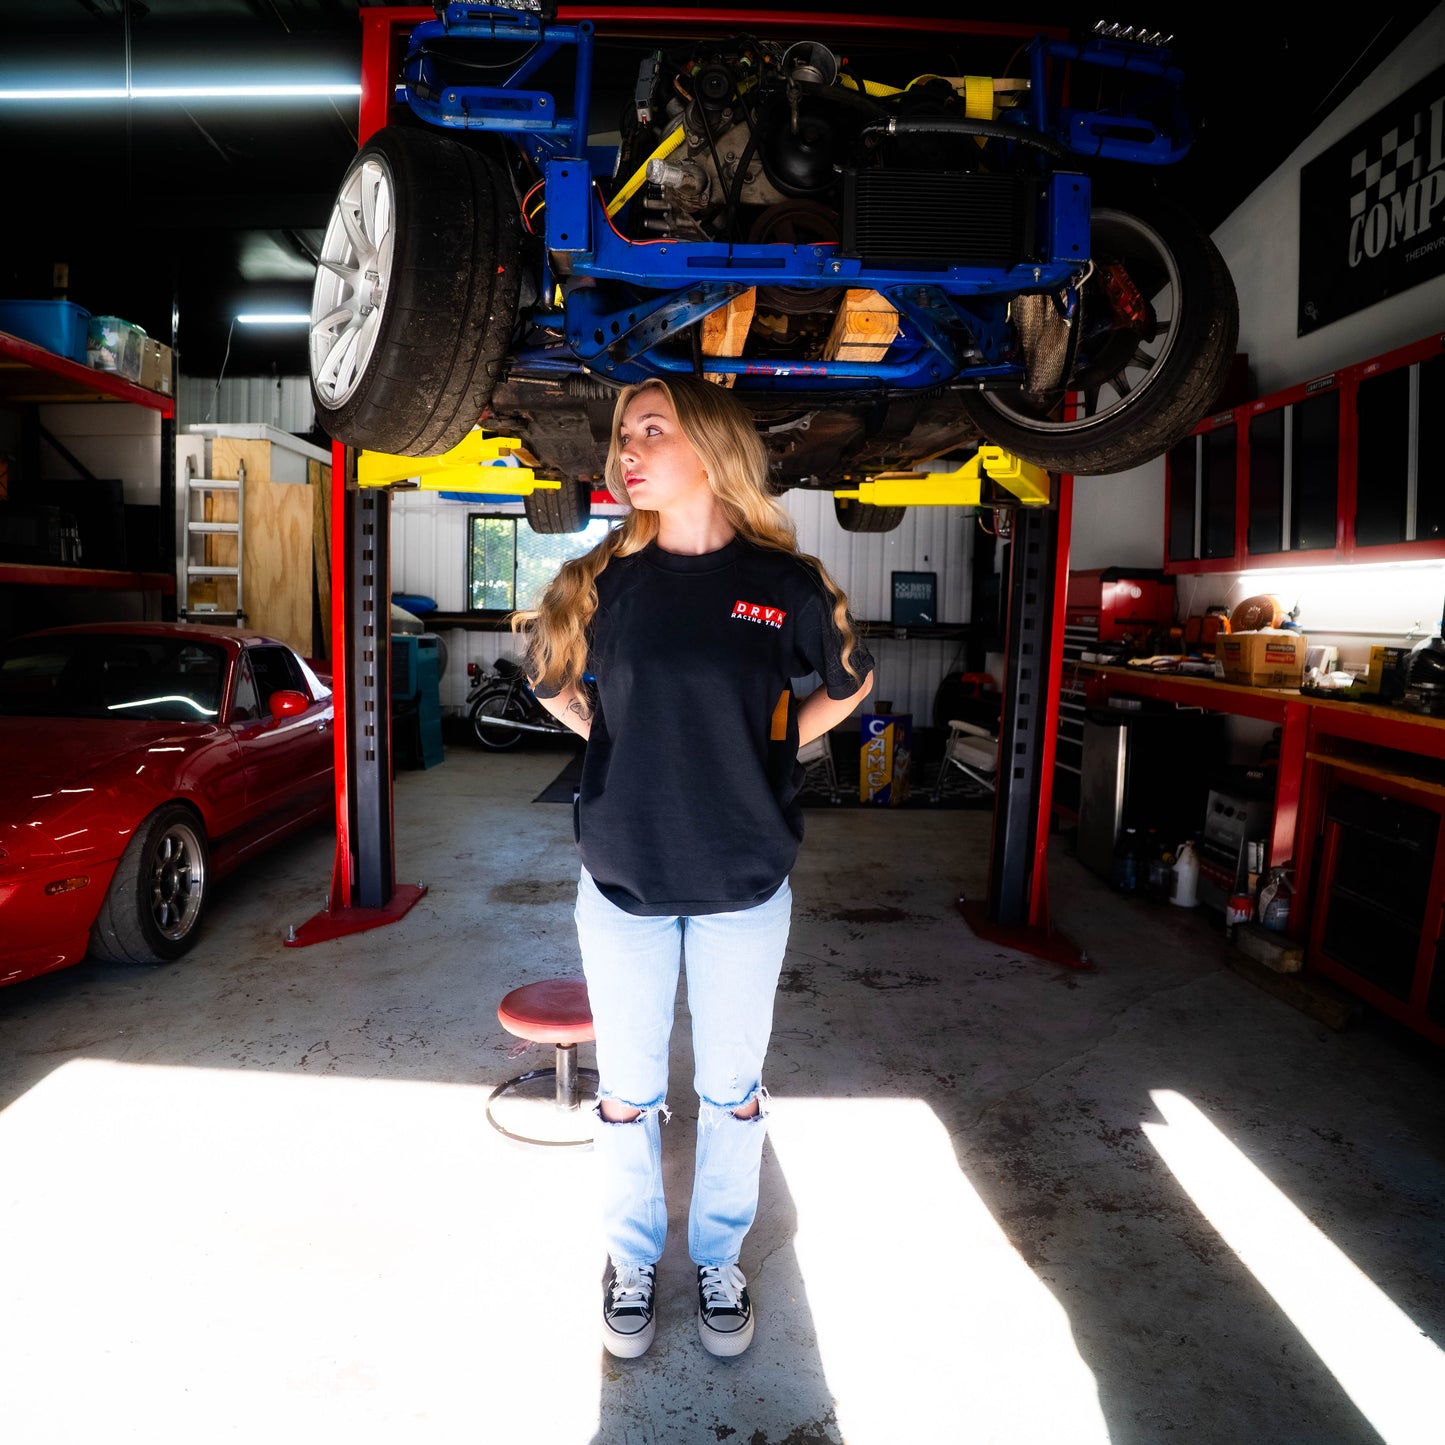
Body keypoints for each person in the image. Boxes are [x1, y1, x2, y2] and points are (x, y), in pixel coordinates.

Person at [514, 373, 874, 1360]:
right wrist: (602, 732)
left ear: (710, 448)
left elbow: (850, 682)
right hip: (625, 874)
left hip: (742, 879)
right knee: (626, 1089)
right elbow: (546, 674)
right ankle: (631, 1258)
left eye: (651, 430)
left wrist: (776, 745)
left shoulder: (782, 584)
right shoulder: (604, 583)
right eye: (622, 434)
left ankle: (718, 1254)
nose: (626, 449)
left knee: (730, 1086)